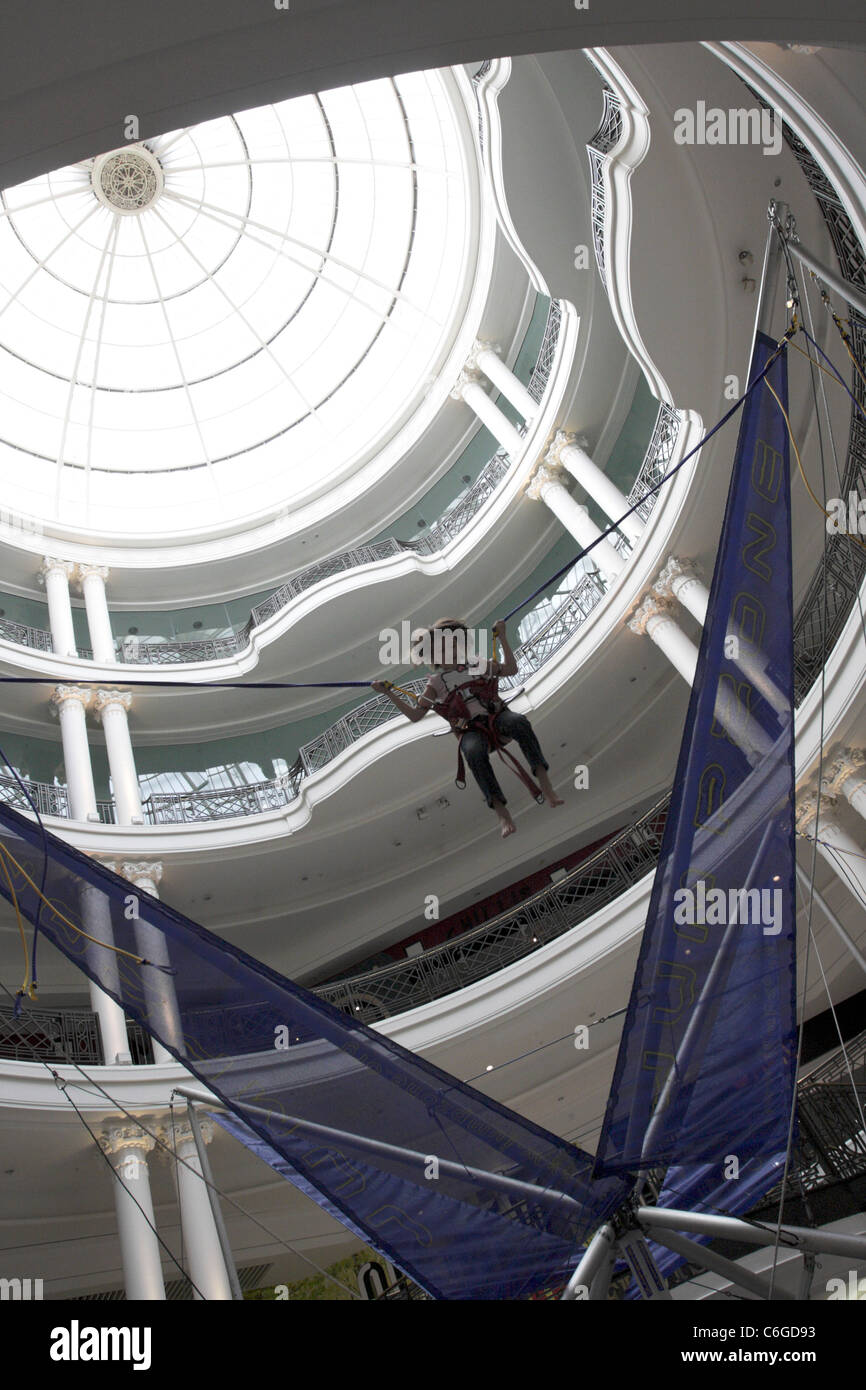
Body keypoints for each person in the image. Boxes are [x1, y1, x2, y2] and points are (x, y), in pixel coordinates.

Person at [372, 618, 563, 838]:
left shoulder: (477, 663)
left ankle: (546, 785)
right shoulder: (435, 683)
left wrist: (502, 637)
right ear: (433, 657)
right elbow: (416, 715)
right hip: (471, 731)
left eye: (452, 645)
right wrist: (389, 693)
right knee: (472, 752)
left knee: (519, 722)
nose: (451, 651)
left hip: (497, 717)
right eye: (442, 649)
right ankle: (501, 812)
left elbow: (511, 669)